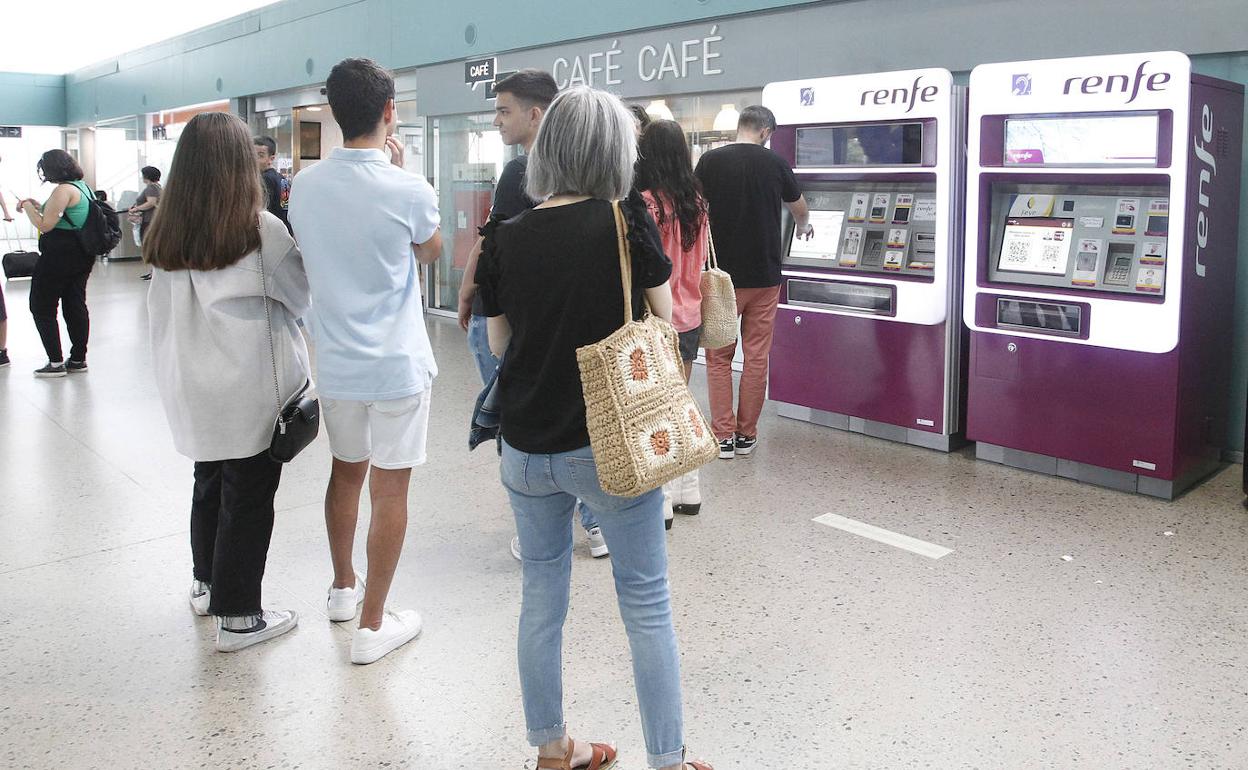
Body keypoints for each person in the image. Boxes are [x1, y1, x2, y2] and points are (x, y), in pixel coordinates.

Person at [476, 85, 713, 770]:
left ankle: (552, 747)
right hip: (608, 445)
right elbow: (665, 324)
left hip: (523, 448)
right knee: (645, 600)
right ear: (616, 151)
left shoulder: (505, 237)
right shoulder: (624, 221)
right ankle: (666, 759)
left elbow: (498, 347)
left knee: (541, 596)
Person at [287, 57, 442, 665]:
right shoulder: (409, 188)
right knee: (392, 488)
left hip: (339, 364)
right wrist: (398, 174)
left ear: (331, 113)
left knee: (345, 472)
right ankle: (374, 625)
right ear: (388, 111)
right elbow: (428, 252)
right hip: (397, 364)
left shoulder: (305, 184)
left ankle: (342, 588)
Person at [145, 112, 310, 652]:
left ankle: (206, 583)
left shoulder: (166, 230)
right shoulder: (259, 230)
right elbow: (299, 296)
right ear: (242, 165)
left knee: (208, 480)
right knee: (249, 494)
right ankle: (239, 617)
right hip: (247, 386)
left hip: (189, 380)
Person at [457, 69, 609, 561]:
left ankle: (540, 524)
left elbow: (490, 241)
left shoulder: (520, 172)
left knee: (518, 420)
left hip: (509, 317)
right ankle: (593, 520)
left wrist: (467, 289)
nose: (497, 120)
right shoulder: (597, 178)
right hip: (569, 321)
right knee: (579, 416)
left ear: (536, 113)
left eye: (504, 110)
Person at [694, 105, 811, 459]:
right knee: (756, 356)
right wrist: (804, 227)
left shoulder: (710, 163)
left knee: (718, 358)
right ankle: (747, 435)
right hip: (764, 276)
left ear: (740, 127)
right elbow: (799, 208)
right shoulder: (775, 164)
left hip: (721, 279)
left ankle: (723, 436)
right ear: (766, 132)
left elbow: (696, 208)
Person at [636, 119, 709, 519]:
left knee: (655, 407)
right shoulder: (696, 202)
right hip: (691, 313)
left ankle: (660, 500)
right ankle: (689, 487)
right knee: (679, 399)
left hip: (655, 317)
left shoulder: (647, 203)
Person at [17, 150, 95, 378]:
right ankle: (78, 359)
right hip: (81, 253)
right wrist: (39, 205)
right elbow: (66, 215)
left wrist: (29, 208)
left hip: (59, 255)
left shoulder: (62, 190)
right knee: (75, 304)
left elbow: (47, 225)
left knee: (41, 305)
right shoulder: (82, 187)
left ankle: (55, 362)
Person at [253, 136, 292, 234]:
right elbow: (286, 208)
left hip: (271, 234)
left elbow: (261, 212)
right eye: (252, 155)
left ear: (271, 158)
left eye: (260, 155)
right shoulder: (282, 180)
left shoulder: (265, 179)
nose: (254, 160)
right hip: (286, 232)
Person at [131, 166, 162, 280]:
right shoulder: (158, 187)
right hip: (154, 220)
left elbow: (151, 203)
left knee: (149, 245)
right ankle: (153, 271)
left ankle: (154, 272)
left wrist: (136, 208)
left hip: (149, 220)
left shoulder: (150, 188)